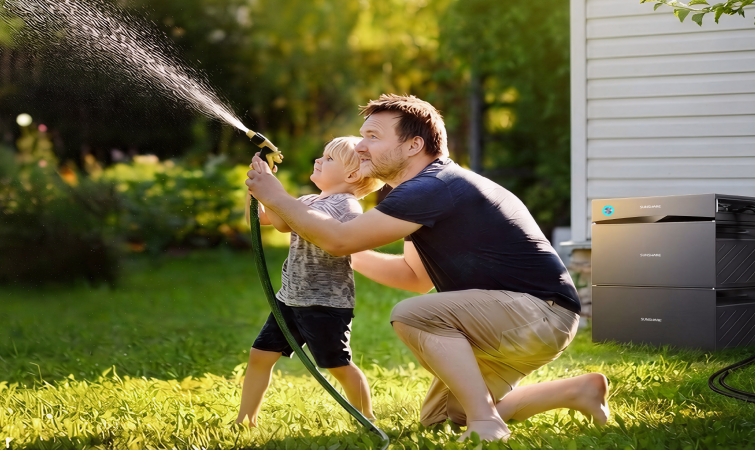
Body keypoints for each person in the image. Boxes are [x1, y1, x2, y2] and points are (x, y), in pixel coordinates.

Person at [245, 94, 609, 441]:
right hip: (520, 321)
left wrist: (276, 197)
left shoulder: (432, 186)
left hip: (537, 314)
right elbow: (414, 277)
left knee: (412, 314)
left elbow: (341, 239)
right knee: (443, 420)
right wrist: (333, 248)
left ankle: (486, 422)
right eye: (362, 136)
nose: (359, 146)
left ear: (413, 146)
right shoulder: (422, 192)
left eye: (373, 136)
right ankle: (578, 390)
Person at [236, 136, 384, 427]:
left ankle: (366, 417)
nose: (318, 160)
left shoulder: (347, 207)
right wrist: (257, 189)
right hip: (290, 298)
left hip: (325, 304)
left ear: (352, 175)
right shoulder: (305, 201)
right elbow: (273, 221)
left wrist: (278, 194)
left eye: (328, 159)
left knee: (337, 364)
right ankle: (245, 420)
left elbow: (326, 229)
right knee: (259, 355)